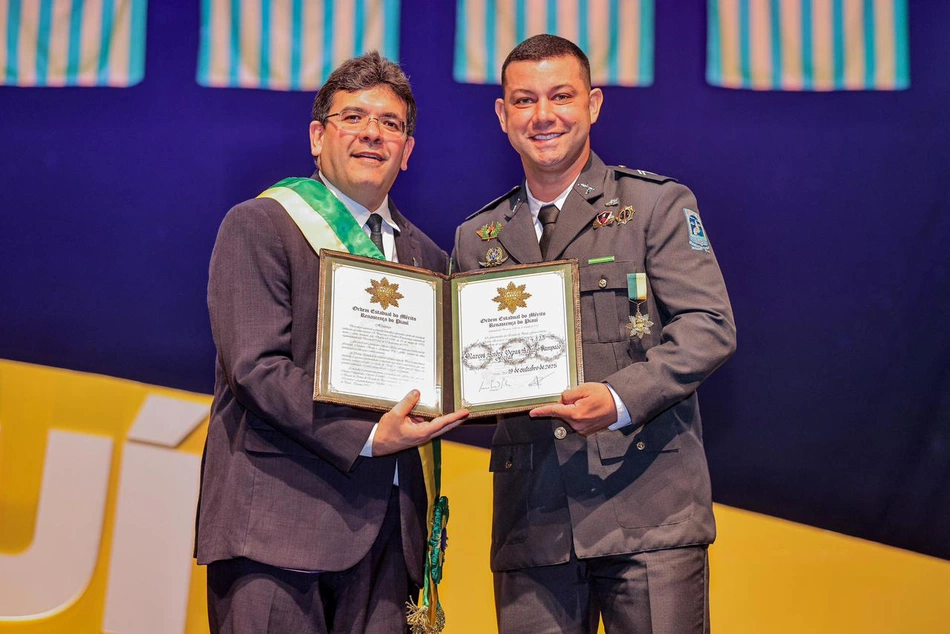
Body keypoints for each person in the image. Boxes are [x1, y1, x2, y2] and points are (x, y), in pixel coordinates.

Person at [452, 34, 736, 634]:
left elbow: (709, 327)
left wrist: (619, 398)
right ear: (503, 115)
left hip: (649, 514)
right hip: (534, 521)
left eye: (561, 96)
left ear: (594, 104)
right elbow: (461, 372)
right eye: (524, 101)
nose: (544, 115)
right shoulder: (475, 239)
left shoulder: (656, 206)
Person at [196, 51, 468, 634]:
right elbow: (256, 369)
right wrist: (368, 436)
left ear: (408, 150)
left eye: (390, 123)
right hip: (276, 530)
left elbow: (454, 382)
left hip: (393, 541)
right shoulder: (260, 225)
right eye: (353, 117)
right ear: (318, 137)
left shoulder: (430, 259)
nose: (372, 133)